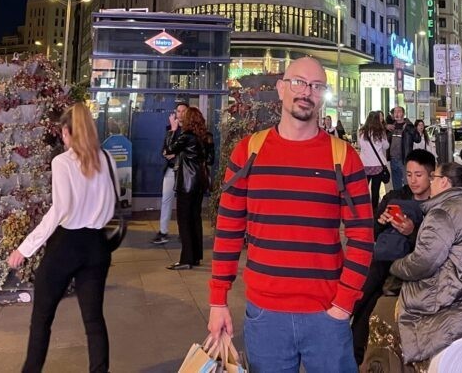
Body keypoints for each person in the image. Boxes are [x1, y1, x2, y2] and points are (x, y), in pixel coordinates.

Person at [207, 56, 373, 372]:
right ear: (282, 88)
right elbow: (228, 231)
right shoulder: (247, 153)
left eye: (316, 86)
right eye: (298, 82)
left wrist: (344, 304)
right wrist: (218, 301)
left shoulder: (344, 157)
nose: (306, 92)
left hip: (327, 315)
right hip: (265, 316)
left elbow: (363, 236)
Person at [7, 104, 118, 373]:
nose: (62, 139)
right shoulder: (108, 159)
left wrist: (25, 248)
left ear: (68, 132)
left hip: (66, 245)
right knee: (93, 320)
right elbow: (113, 204)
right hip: (97, 245)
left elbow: (60, 210)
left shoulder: (63, 162)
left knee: (42, 317)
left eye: (62, 134)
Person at [372, 162, 462, 367]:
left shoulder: (442, 213)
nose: (429, 183)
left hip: (454, 296)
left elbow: (423, 263)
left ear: (444, 182)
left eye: (432, 177)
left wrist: (394, 266)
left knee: (382, 311)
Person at [352, 148, 435, 365]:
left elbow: (434, 247)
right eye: (409, 175)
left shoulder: (435, 206)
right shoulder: (395, 197)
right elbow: (373, 234)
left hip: (409, 266)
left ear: (431, 175)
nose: (413, 181)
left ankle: (348, 324)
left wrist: (411, 233)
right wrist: (381, 222)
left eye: (419, 175)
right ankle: (353, 352)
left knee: (370, 299)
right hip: (383, 260)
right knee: (365, 298)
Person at [166, 106, 213, 270]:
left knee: (184, 221)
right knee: (195, 219)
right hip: (199, 183)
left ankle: (186, 259)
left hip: (186, 184)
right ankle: (196, 256)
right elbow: (211, 159)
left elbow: (169, 149)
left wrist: (172, 130)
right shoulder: (207, 137)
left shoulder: (186, 136)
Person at [152, 101, 190, 246]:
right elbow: (166, 150)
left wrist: (174, 153)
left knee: (183, 202)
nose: (180, 114)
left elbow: (185, 151)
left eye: (183, 111)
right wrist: (172, 132)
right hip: (170, 169)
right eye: (178, 111)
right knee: (166, 200)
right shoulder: (171, 129)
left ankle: (184, 232)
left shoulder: (190, 131)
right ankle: (163, 231)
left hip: (184, 171)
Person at [359, 110, 391, 211]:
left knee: (363, 189)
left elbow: (360, 146)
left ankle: (362, 208)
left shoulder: (361, 132)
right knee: (375, 189)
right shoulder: (380, 132)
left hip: (364, 165)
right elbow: (386, 146)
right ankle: (374, 210)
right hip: (377, 165)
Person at [386, 106, 421, 190]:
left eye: (399, 111)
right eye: (395, 112)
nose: (397, 113)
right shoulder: (391, 127)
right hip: (393, 159)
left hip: (404, 160)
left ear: (403, 113)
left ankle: (408, 201)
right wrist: (386, 127)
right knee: (396, 185)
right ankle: (399, 201)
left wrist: (409, 128)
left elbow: (417, 139)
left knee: (407, 183)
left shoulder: (408, 125)